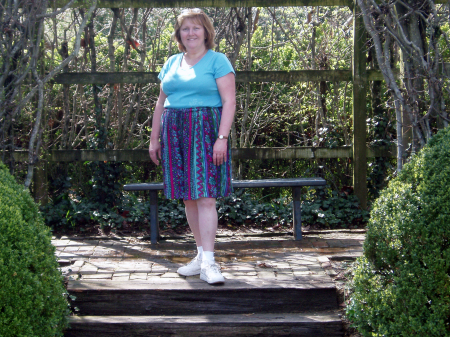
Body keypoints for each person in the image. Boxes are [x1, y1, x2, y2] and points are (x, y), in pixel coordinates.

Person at [148, 8, 236, 285]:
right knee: (188, 196)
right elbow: (161, 103)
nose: (191, 33)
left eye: (196, 28)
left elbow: (230, 102)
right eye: (185, 29)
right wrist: (154, 138)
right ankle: (199, 256)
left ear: (206, 32)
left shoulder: (218, 61)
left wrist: (221, 138)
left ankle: (210, 262)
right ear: (179, 34)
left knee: (206, 195)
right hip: (174, 130)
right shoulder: (172, 62)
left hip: (206, 129)